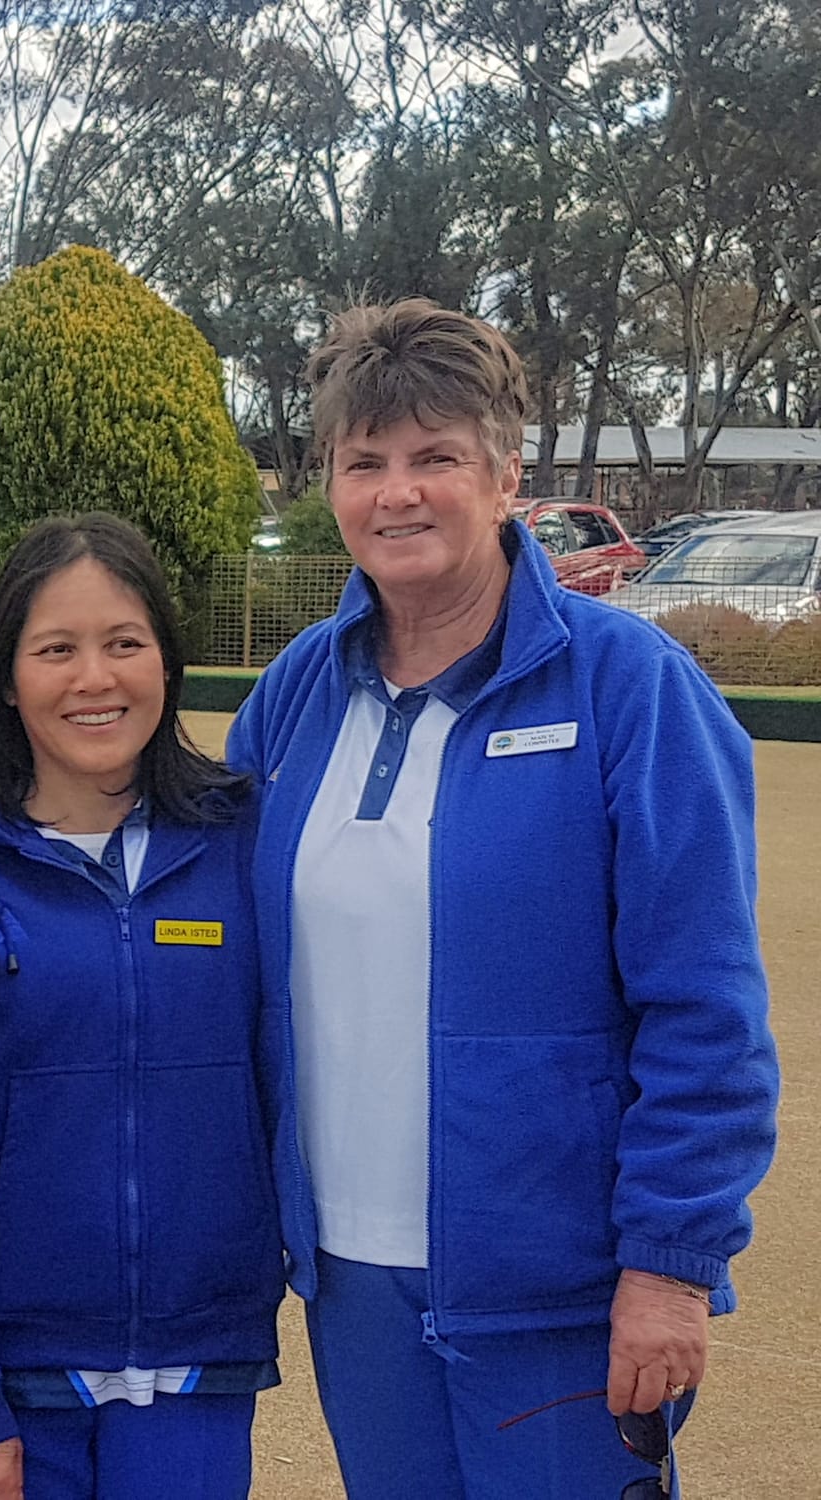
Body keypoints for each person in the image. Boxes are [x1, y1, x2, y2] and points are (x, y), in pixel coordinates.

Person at [224, 299, 779, 1497]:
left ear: (504, 471)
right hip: (348, 1273)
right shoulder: (292, 697)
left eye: (433, 458)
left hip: (560, 1290)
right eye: (362, 462)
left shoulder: (631, 688)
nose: (395, 492)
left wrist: (671, 1266)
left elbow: (706, 1008)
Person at [0, 514, 282, 1500]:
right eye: (55, 649)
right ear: (7, 677)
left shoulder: (242, 846)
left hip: (199, 1365)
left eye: (124, 644)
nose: (94, 679)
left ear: (167, 666)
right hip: (8, 1388)